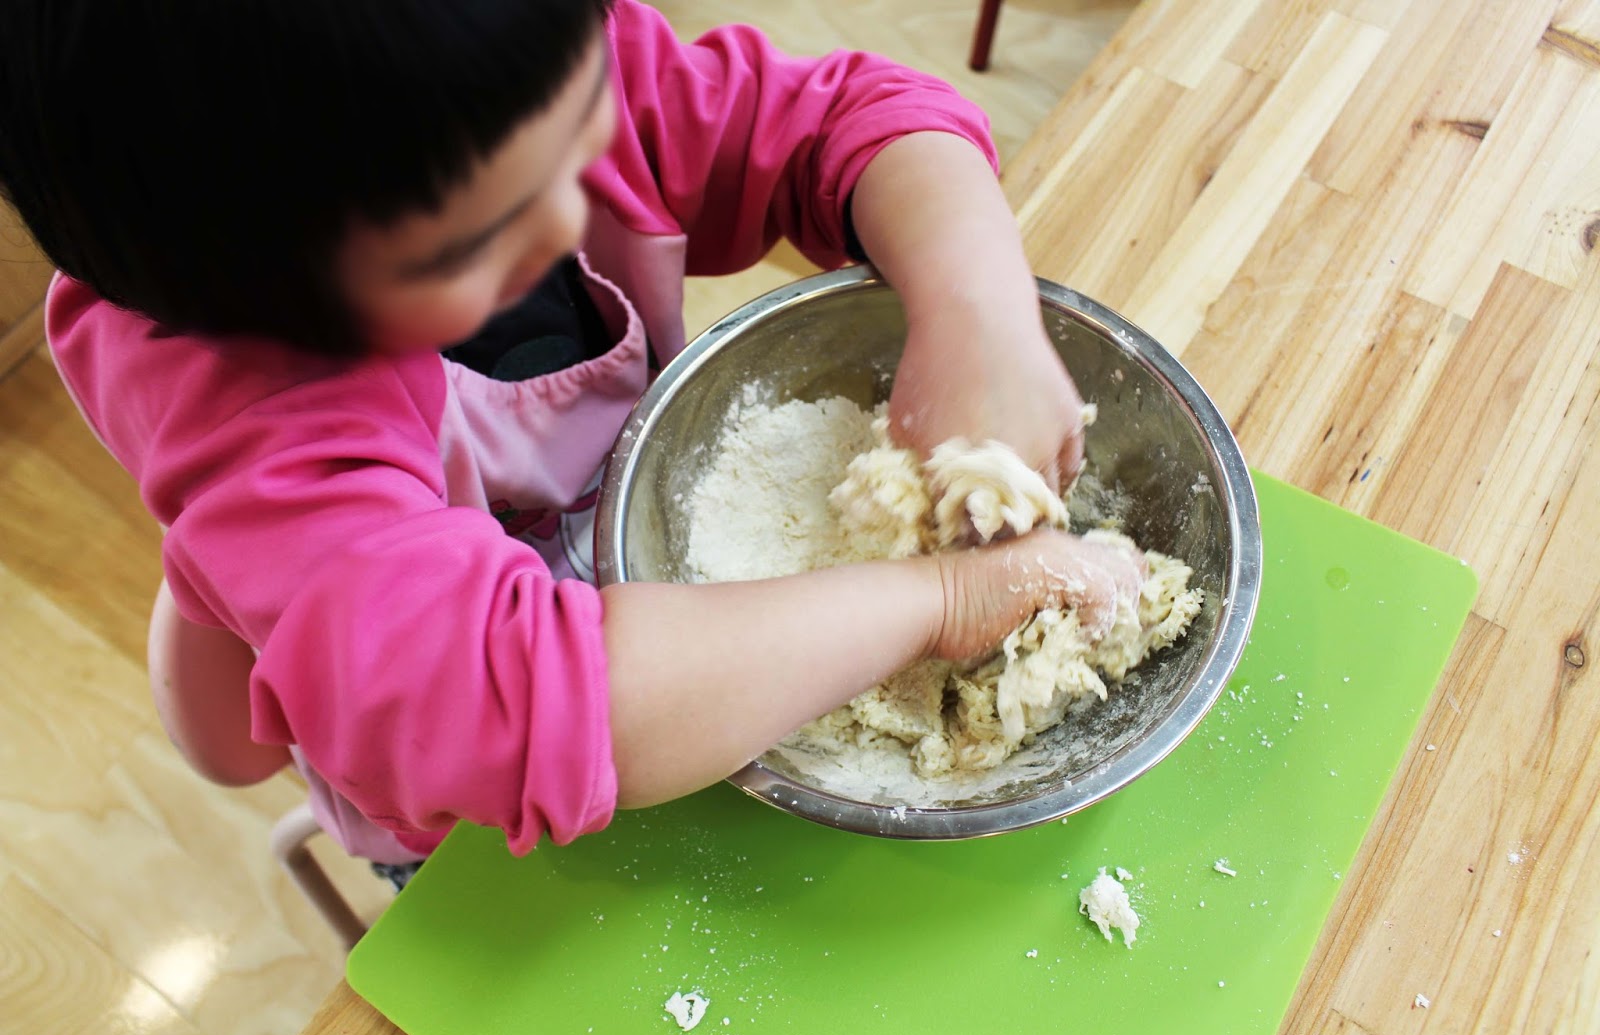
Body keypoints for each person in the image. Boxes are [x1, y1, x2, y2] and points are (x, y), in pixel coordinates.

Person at [0, 0, 1140, 875]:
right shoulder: (262, 416)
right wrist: (941, 604)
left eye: (585, 130)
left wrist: (976, 306)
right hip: (474, 802)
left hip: (623, 619)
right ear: (251, 298)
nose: (571, 213)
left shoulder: (519, 75)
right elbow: (517, 707)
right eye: (478, 242)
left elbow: (853, 120)